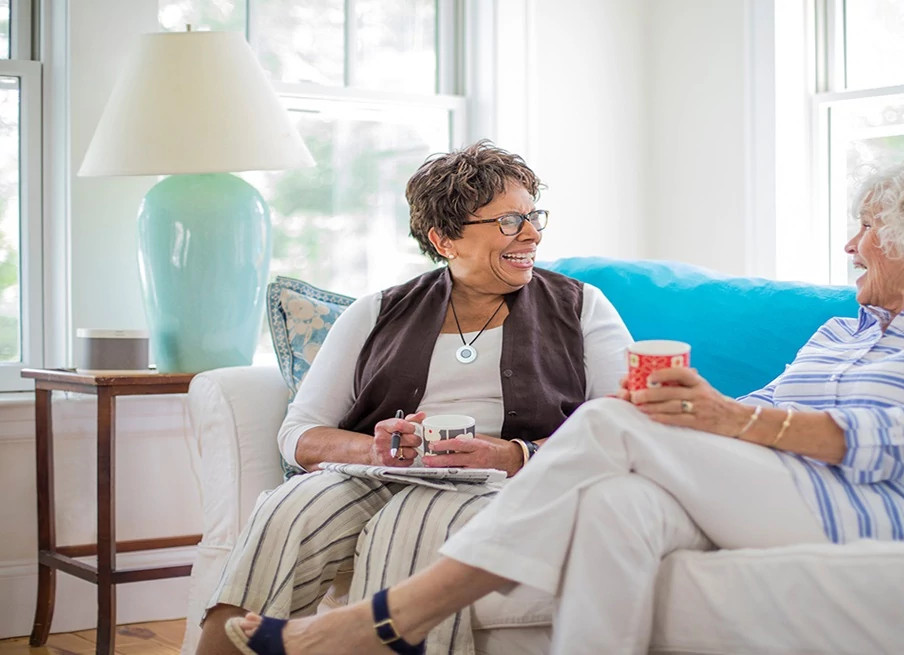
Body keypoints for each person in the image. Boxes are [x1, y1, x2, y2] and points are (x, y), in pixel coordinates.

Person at [225, 154, 904, 655]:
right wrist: (701, 409)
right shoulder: (842, 332)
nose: (850, 246)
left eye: (867, 229)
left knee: (610, 421)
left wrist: (729, 421)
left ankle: (392, 618)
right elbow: (755, 412)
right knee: (621, 502)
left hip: (878, 516)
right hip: (789, 491)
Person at [195, 140, 633, 654]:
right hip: (379, 473)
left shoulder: (581, 307)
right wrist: (372, 449)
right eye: (509, 222)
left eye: (533, 216)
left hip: (507, 483)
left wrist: (515, 453)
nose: (532, 233)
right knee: (290, 506)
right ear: (445, 239)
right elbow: (299, 434)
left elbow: (624, 425)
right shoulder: (377, 311)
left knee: (412, 520)